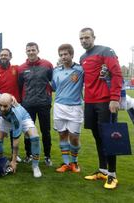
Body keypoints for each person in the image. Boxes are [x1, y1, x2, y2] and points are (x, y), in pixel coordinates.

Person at [79, 27, 123, 189]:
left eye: (86, 37)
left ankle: (112, 174)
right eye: (81, 38)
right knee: (97, 136)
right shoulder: (83, 57)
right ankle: (103, 170)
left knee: (109, 137)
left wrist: (114, 98)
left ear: (93, 37)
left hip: (105, 101)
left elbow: (117, 74)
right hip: (90, 102)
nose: (84, 41)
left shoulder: (106, 51)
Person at [0, 85, 42, 178]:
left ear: (11, 104)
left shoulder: (16, 115)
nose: (2, 109)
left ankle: (35, 166)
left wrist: (14, 161)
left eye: (5, 106)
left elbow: (15, 143)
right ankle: (1, 161)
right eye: (0, 105)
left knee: (35, 138)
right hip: (5, 119)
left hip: (22, 119)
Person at [18, 42, 54, 166]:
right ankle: (28, 155)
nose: (31, 52)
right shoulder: (21, 68)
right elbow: (20, 86)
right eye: (29, 50)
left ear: (38, 50)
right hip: (27, 105)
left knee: (46, 131)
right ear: (26, 52)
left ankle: (47, 156)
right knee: (28, 131)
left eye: (33, 50)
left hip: (44, 103)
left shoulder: (47, 65)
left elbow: (52, 82)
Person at [52, 44, 84, 173]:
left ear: (72, 55)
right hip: (59, 106)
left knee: (74, 137)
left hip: (75, 108)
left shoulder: (80, 70)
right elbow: (54, 87)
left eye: (66, 54)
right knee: (62, 135)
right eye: (61, 55)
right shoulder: (56, 71)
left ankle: (74, 162)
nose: (63, 57)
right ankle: (66, 163)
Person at [0, 48, 22, 162]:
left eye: (6, 55)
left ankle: (14, 154)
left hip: (14, 107)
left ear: (10, 57)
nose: (3, 57)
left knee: (14, 131)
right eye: (1, 55)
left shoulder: (16, 69)